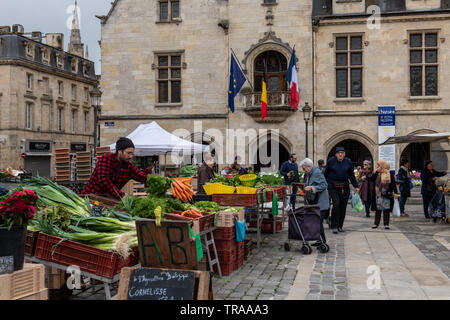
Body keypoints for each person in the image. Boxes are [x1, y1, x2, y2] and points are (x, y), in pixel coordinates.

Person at [82, 137, 154, 200]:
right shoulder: (106, 159)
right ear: (119, 151)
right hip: (91, 197)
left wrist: (155, 179)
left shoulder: (128, 167)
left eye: (132, 153)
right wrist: (122, 196)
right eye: (128, 153)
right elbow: (104, 180)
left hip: (108, 200)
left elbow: (143, 177)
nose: (131, 156)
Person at [324, 147, 359, 234]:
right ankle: (334, 225)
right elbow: (326, 174)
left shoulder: (348, 162)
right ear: (336, 154)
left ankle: (340, 225)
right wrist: (324, 184)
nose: (340, 154)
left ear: (344, 154)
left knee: (343, 206)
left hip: (344, 186)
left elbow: (351, 175)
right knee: (336, 204)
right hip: (332, 185)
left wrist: (356, 186)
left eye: (342, 153)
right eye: (338, 153)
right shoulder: (331, 161)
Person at [301, 158, 329, 245]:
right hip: (316, 202)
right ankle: (320, 240)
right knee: (317, 222)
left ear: (308, 167)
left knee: (318, 222)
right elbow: (311, 183)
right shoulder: (310, 173)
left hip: (321, 202)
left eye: (304, 168)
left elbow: (324, 185)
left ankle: (322, 241)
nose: (304, 171)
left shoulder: (316, 172)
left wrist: (312, 188)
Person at [371, 160, 399, 230]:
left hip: (386, 194)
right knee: (378, 209)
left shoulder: (388, 174)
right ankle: (376, 223)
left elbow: (393, 184)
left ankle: (386, 224)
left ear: (382, 166)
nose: (377, 167)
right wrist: (377, 171)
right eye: (377, 166)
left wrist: (396, 192)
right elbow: (371, 179)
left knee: (386, 209)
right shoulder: (377, 173)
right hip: (378, 194)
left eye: (379, 166)